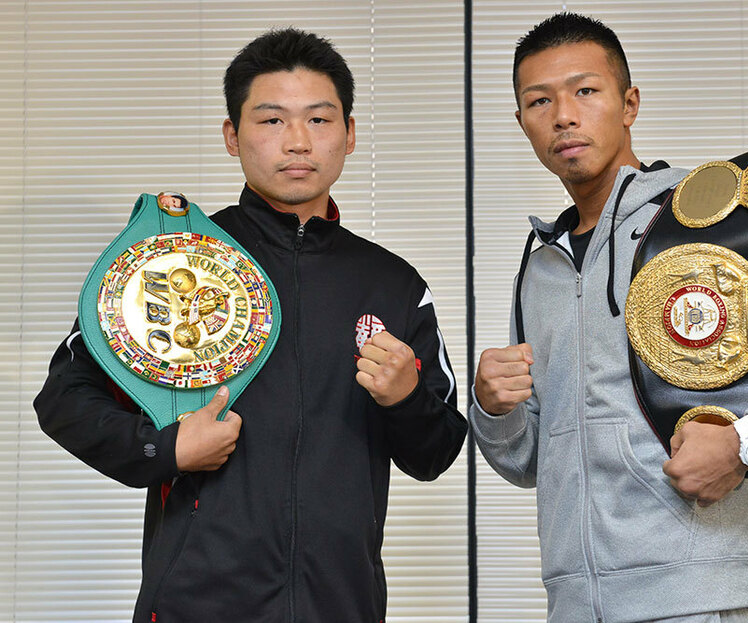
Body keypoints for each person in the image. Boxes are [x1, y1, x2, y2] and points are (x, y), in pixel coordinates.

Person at [470, 12, 748, 623]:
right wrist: (495, 410)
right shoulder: (540, 266)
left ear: (629, 104)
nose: (563, 115)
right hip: (573, 604)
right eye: (539, 101)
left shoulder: (712, 212)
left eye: (585, 91)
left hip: (698, 599)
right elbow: (528, 463)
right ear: (522, 123)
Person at [35, 28, 467, 622]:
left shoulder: (391, 283)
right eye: (271, 121)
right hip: (195, 604)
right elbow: (63, 397)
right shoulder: (175, 259)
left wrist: (406, 397)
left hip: (341, 605)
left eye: (319, 120)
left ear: (350, 134)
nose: (297, 142)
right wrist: (167, 448)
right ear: (232, 138)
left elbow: (436, 451)